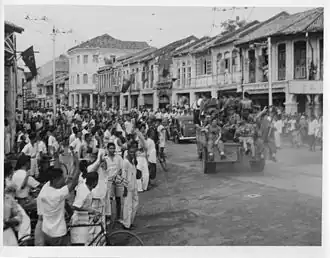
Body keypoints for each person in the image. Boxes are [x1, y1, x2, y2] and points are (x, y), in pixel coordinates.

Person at [37, 153, 81, 246]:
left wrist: (57, 158)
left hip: (46, 231)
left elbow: (56, 172)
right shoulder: (57, 195)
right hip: (58, 234)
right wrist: (77, 164)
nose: (63, 180)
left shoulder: (46, 187)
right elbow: (74, 182)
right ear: (55, 180)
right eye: (62, 178)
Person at [120, 142, 139, 230]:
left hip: (134, 185)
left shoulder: (132, 160)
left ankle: (130, 221)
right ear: (127, 152)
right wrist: (124, 189)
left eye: (133, 152)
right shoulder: (125, 162)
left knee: (135, 204)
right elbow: (123, 176)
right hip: (128, 187)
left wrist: (134, 158)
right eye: (130, 152)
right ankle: (126, 224)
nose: (132, 153)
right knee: (128, 206)